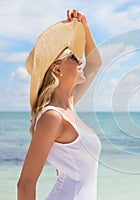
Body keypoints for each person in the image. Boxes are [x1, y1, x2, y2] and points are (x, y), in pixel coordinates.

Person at [17, 9, 102, 200]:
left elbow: (95, 63)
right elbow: (25, 184)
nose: (81, 60)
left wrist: (85, 28)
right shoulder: (52, 116)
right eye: (73, 57)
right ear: (57, 69)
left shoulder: (68, 106)